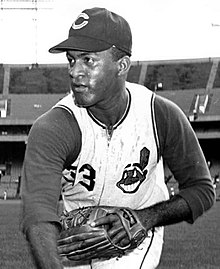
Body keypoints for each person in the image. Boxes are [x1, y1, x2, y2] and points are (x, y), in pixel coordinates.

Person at [20, 7, 215, 269]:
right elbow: (37, 214)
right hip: (76, 241)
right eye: (71, 59)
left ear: (121, 65)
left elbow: (201, 189)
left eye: (88, 60)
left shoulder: (159, 116)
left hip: (137, 242)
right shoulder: (53, 128)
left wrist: (146, 218)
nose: (74, 71)